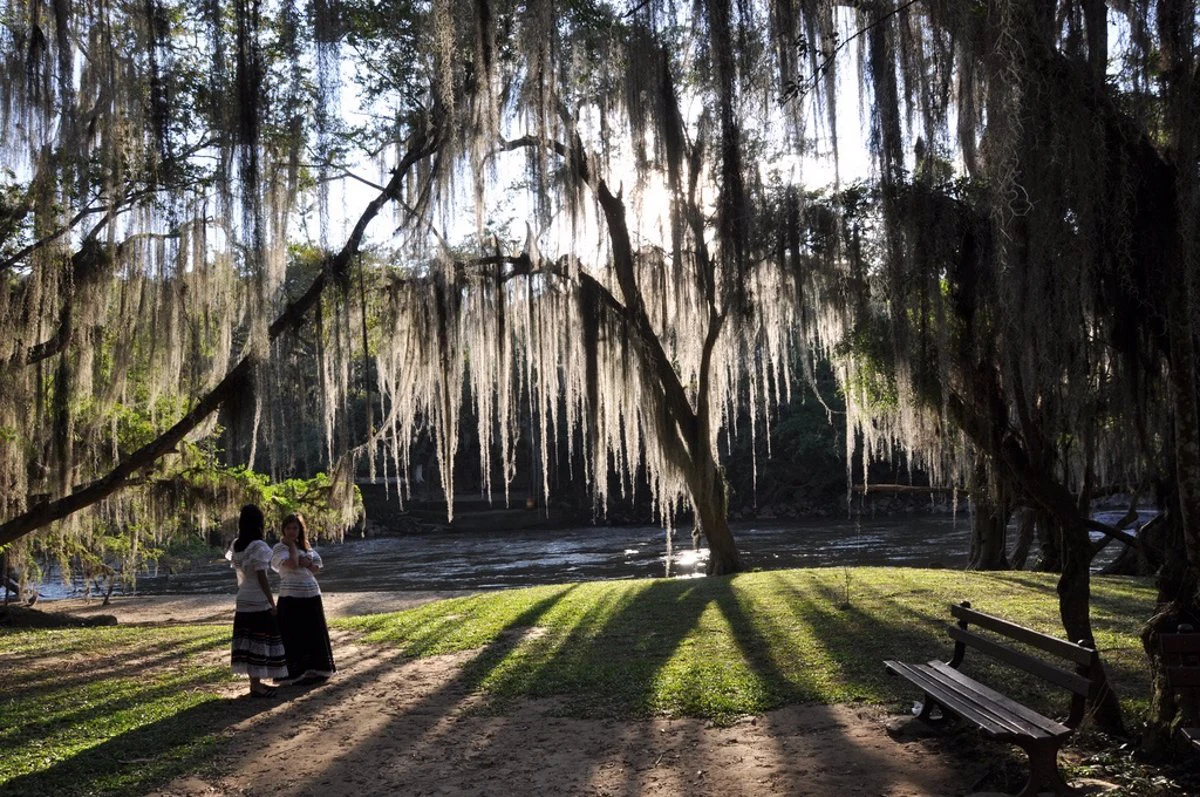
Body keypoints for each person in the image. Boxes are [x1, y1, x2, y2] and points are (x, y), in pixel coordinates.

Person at [227, 503, 288, 697]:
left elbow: (240, 573)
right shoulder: (258, 546)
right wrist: (271, 602)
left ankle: (255, 684)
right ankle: (257, 685)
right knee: (260, 640)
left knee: (248, 641)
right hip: (257, 598)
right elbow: (262, 577)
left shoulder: (237, 544)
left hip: (243, 597)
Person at [271, 513, 336, 684]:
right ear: (283, 530)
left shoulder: (308, 547)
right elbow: (291, 564)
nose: (292, 531)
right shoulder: (279, 548)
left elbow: (315, 568)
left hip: (312, 594)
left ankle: (315, 669)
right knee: (293, 634)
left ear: (300, 529)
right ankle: (294, 674)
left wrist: (304, 560)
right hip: (290, 596)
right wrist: (293, 548)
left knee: (313, 633)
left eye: (295, 528)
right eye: (288, 528)